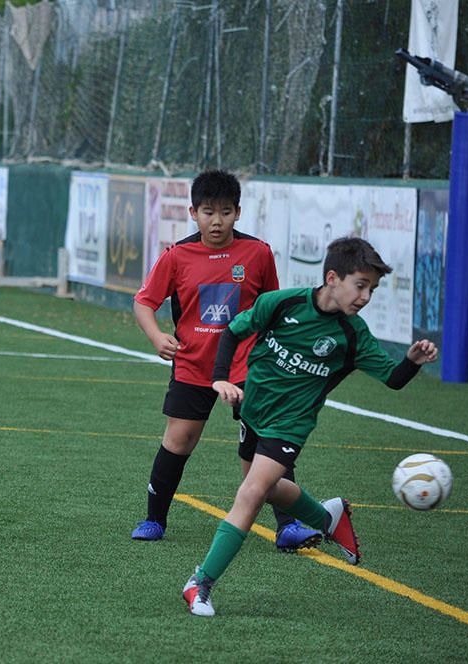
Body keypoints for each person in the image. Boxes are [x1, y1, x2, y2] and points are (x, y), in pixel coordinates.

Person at [183, 237, 439, 617]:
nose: (366, 296)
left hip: (291, 423)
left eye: (372, 288)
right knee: (267, 490)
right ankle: (327, 517)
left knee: (251, 492)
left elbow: (393, 379)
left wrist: (412, 361)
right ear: (332, 277)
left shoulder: (353, 335)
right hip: (254, 409)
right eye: (361, 285)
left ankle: (200, 583)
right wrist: (222, 378)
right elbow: (234, 331)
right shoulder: (282, 303)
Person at [131, 170, 321, 552]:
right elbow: (144, 301)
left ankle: (288, 526)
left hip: (250, 368)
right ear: (192, 213)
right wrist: (156, 337)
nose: (216, 221)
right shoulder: (177, 256)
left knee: (266, 444)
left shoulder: (258, 253)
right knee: (179, 439)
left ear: (238, 212)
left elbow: (272, 306)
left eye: (225, 212)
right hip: (193, 366)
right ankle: (154, 518)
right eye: (207, 212)